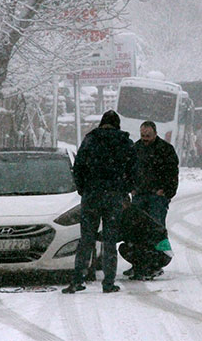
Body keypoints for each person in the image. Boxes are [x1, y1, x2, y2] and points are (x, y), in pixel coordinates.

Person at [62, 110, 136, 294]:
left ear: (102, 123)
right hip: (114, 196)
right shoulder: (124, 142)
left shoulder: (90, 140)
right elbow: (133, 170)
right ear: (117, 124)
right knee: (110, 241)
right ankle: (108, 283)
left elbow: (78, 167)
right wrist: (124, 189)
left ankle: (78, 280)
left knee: (86, 239)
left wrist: (83, 189)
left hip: (92, 196)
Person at [129, 121, 179, 278]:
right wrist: (132, 188)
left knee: (156, 231)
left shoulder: (166, 150)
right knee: (136, 232)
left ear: (155, 133)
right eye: (143, 135)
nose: (145, 138)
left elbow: (172, 173)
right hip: (140, 196)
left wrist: (166, 192)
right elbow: (129, 170)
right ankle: (138, 264)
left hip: (157, 198)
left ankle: (157, 263)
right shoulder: (136, 149)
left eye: (148, 136)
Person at [118, 203, 173, 280]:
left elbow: (121, 234)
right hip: (161, 253)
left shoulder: (131, 216)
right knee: (131, 246)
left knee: (129, 247)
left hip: (158, 254)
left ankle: (148, 269)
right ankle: (144, 267)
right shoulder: (136, 213)